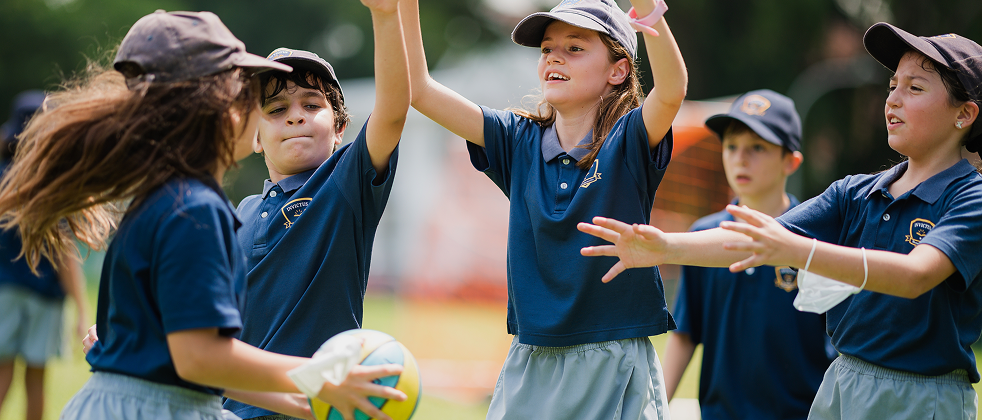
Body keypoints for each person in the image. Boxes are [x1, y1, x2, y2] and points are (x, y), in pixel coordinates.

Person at [0, 10, 406, 420]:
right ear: (217, 111)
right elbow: (198, 358)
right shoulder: (197, 210)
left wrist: (311, 398)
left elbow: (185, 356)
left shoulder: (170, 198)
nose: (290, 115)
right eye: (246, 94)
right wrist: (318, 376)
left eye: (309, 104)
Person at [579, 23, 982, 419]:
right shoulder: (855, 192)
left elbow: (916, 275)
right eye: (892, 85)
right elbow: (759, 240)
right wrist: (666, 247)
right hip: (842, 383)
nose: (893, 99)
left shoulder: (970, 197)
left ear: (964, 114)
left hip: (921, 396)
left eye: (915, 88)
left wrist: (797, 250)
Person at [403, 0, 686, 417]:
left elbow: (673, 90)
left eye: (574, 48)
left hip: (612, 357)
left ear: (618, 70)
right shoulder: (516, 140)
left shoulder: (629, 139)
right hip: (530, 357)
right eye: (546, 49)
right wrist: (397, 10)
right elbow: (419, 90)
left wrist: (647, 10)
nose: (553, 56)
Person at [222, 0, 410, 418]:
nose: (295, 118)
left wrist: (384, 15)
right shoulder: (238, 214)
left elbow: (394, 111)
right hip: (230, 409)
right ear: (254, 138)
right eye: (275, 110)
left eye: (312, 105)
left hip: (317, 409)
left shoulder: (345, 185)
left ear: (340, 128)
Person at [661, 89, 834, 420]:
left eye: (757, 147)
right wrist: (657, 408)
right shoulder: (702, 237)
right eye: (731, 146)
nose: (740, 158)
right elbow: (685, 333)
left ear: (791, 161)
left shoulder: (816, 237)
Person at [0, 90, 88, 420]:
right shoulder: (55, 187)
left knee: (2, 372)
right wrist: (81, 308)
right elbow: (65, 254)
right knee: (36, 379)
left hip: (4, 291)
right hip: (45, 296)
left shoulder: (3, 180)